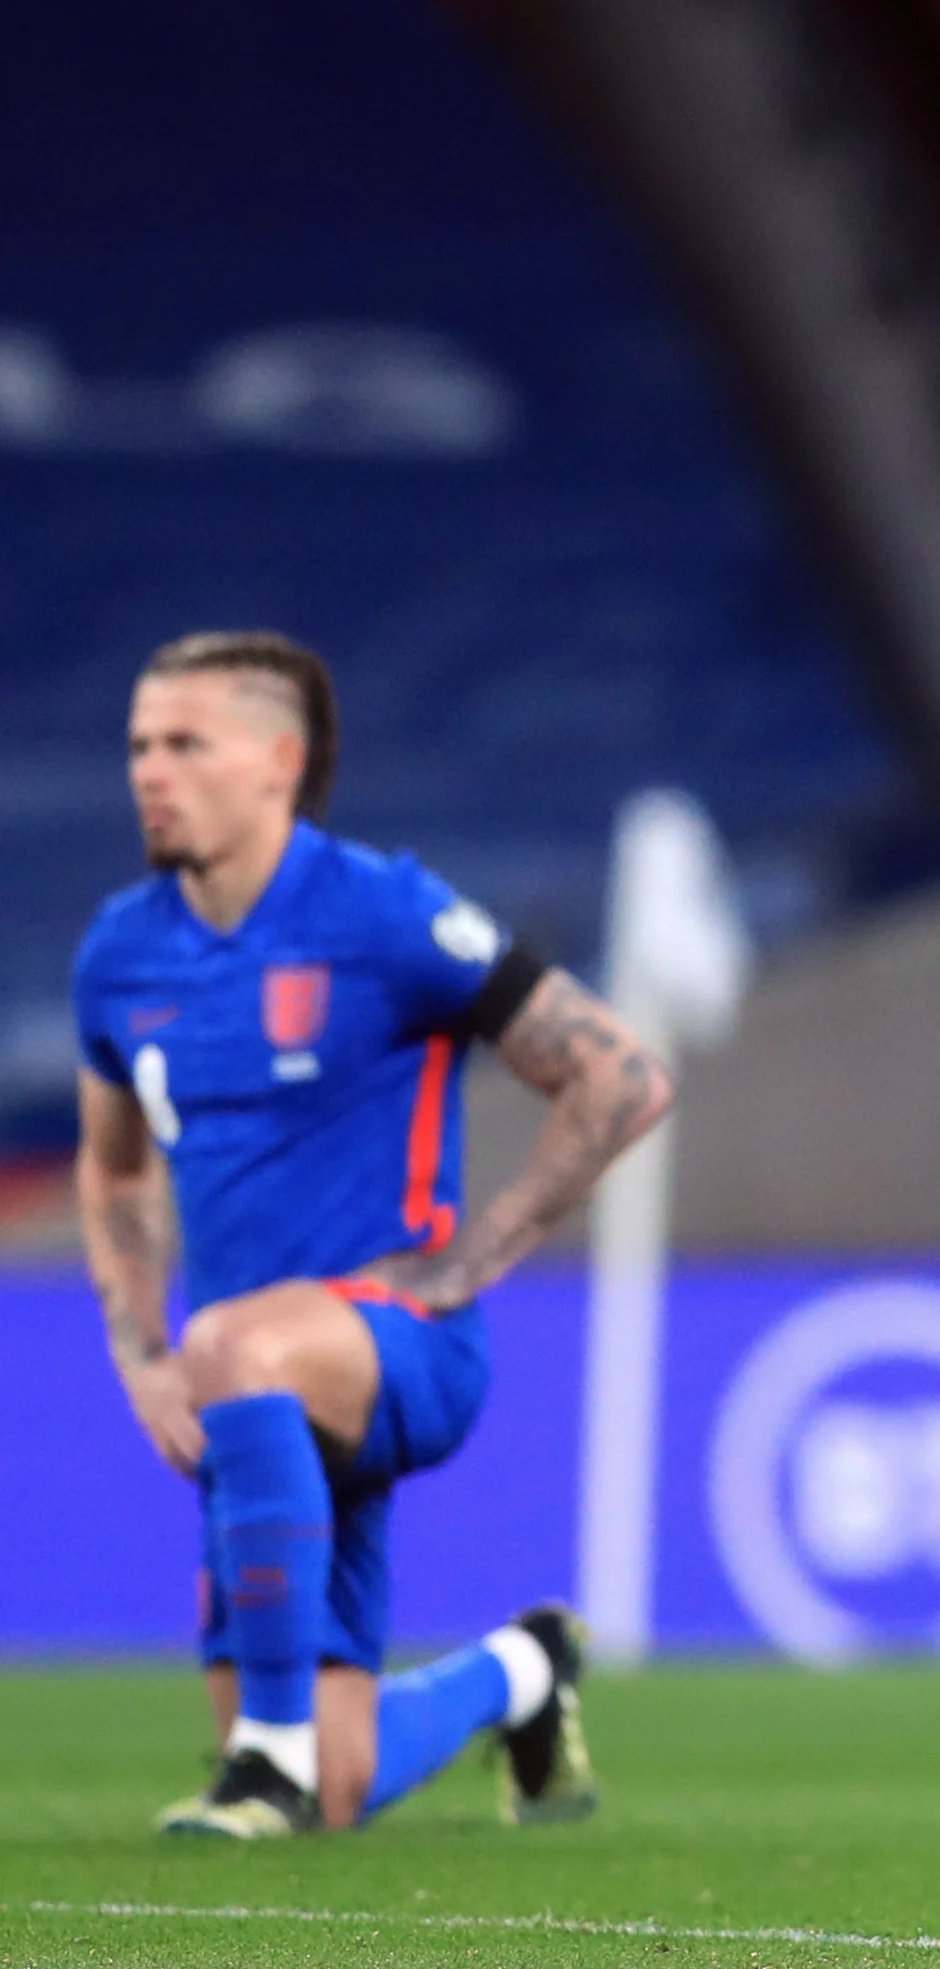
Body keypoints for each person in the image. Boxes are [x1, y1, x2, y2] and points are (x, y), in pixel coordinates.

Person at [74, 631, 673, 1839]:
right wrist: (141, 1352)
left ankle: (266, 1767)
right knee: (347, 1780)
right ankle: (522, 1669)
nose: (150, 769)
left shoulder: (384, 910)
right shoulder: (121, 952)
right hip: (253, 1404)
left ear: (278, 763)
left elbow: (621, 1075)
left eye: (186, 743)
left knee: (237, 1342)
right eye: (140, 743)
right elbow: (114, 1163)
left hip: (401, 1346)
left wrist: (478, 1254)